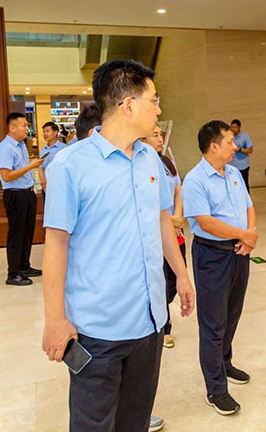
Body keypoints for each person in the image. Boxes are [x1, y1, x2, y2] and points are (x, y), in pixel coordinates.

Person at [41, 59, 195, 432]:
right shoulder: (70, 165)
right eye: (154, 100)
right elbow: (56, 244)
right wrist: (55, 319)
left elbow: (162, 218)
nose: (158, 110)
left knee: (134, 421)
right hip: (98, 331)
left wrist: (181, 274)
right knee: (93, 425)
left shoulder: (149, 158)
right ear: (128, 105)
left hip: (150, 322)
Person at [183, 120, 257, 416]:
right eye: (229, 142)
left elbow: (249, 206)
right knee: (213, 323)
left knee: (232, 314)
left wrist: (250, 235)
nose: (234, 147)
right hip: (212, 256)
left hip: (239, 253)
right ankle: (215, 389)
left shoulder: (235, 173)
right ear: (213, 146)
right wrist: (243, 234)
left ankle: (225, 364)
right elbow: (205, 222)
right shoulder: (195, 180)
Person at [141, 126, 186, 349]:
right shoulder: (141, 165)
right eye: (155, 135)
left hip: (175, 230)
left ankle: (162, 312)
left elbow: (178, 190)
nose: (160, 139)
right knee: (161, 279)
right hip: (158, 232)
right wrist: (169, 221)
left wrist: (177, 217)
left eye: (161, 135)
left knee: (175, 279)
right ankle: (164, 326)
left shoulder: (167, 162)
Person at [0, 112, 44, 286]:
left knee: (27, 232)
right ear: (12, 128)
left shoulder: (21, 145)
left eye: (27, 125)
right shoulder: (6, 148)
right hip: (15, 195)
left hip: (27, 193)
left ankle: (24, 266)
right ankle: (13, 273)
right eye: (24, 125)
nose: (27, 128)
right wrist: (31, 166)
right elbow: (6, 176)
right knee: (17, 234)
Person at [38, 122, 67, 193]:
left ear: (55, 133)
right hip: (46, 185)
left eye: (47, 131)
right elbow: (41, 168)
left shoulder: (63, 148)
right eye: (44, 132)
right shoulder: (43, 150)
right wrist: (43, 182)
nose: (45, 134)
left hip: (60, 184)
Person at [228, 119, 253, 193]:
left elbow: (250, 150)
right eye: (232, 127)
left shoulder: (245, 137)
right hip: (233, 165)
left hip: (243, 166)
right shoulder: (230, 137)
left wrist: (240, 149)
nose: (233, 129)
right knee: (234, 184)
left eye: (235, 127)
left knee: (244, 184)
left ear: (239, 127)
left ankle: (246, 199)